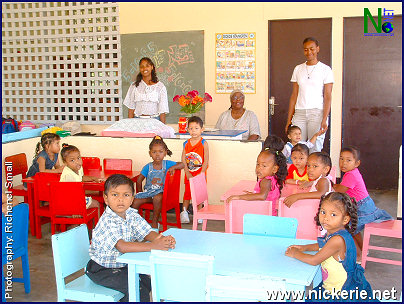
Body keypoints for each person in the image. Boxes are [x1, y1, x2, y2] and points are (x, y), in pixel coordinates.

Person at [86, 174, 176, 302]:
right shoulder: (108, 220)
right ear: (106, 198)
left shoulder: (131, 214)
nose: (120, 200)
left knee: (147, 282)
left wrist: (162, 239)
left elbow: (146, 232)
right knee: (137, 288)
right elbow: (122, 246)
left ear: (132, 198)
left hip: (123, 265)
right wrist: (154, 246)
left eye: (126, 195)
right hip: (102, 269)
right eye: (115, 195)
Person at [285, 192, 376, 302]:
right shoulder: (336, 232)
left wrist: (295, 253)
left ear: (345, 219)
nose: (326, 218)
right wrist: (305, 248)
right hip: (332, 286)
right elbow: (324, 245)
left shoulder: (337, 239)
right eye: (323, 212)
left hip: (339, 294)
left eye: (333, 214)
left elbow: (314, 260)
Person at [333, 146, 393, 257]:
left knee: (347, 229)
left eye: (348, 160)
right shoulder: (352, 172)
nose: (343, 163)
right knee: (352, 230)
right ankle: (363, 250)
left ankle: (359, 255)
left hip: (362, 208)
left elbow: (340, 190)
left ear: (357, 163)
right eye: (341, 159)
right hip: (362, 206)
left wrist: (332, 186)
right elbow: (343, 188)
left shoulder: (351, 175)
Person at [285, 37, 334, 153]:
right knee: (297, 148)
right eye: (306, 49)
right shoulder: (298, 69)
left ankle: (314, 171)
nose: (309, 52)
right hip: (300, 113)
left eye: (312, 49)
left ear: (317, 49)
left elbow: (327, 96)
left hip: (317, 113)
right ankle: (298, 172)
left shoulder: (325, 69)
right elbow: (294, 95)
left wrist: (324, 119)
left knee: (315, 148)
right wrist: (289, 120)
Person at [131, 136, 184, 229]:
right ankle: (135, 224)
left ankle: (155, 222)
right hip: (149, 194)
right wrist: (141, 193)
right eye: (154, 152)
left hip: (162, 195)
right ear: (150, 153)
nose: (157, 155)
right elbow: (139, 180)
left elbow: (183, 164)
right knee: (135, 201)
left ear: (165, 152)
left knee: (157, 197)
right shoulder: (148, 167)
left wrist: (173, 167)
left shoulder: (167, 164)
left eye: (160, 152)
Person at [226, 148, 287, 216]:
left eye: (264, 166)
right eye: (258, 164)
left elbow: (262, 196)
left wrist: (239, 197)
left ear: (274, 169)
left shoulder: (266, 181)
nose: (259, 168)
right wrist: (253, 194)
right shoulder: (273, 179)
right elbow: (267, 195)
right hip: (269, 215)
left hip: (263, 217)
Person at [180, 116, 209, 224]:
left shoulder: (203, 143)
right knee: (187, 193)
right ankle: (184, 212)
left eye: (196, 128)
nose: (193, 131)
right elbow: (183, 159)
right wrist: (187, 172)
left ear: (202, 129)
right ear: (187, 130)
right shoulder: (186, 143)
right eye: (191, 128)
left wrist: (201, 174)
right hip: (189, 174)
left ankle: (199, 213)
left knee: (199, 194)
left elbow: (206, 160)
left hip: (200, 174)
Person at [123, 57, 169, 123]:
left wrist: (163, 128)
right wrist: (131, 125)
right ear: (139, 69)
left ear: (152, 67)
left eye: (147, 66)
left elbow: (162, 110)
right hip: (137, 122)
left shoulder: (160, 87)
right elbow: (131, 109)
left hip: (154, 122)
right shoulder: (134, 86)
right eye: (142, 66)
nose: (144, 69)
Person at [59, 144, 100, 214]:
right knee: (96, 204)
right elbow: (72, 193)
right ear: (65, 163)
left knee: (96, 198)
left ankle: (84, 223)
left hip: (76, 197)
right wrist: (75, 210)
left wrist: (93, 178)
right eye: (72, 160)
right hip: (69, 201)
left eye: (78, 158)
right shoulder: (68, 175)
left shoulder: (79, 168)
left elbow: (81, 177)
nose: (77, 162)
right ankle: (96, 224)